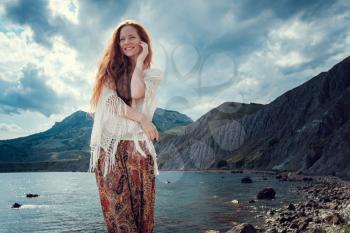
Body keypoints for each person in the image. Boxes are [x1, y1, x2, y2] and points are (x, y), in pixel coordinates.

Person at [88, 19, 163, 233]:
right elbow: (111, 103)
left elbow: (137, 93)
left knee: (143, 218)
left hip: (138, 148)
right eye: (122, 39)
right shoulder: (108, 71)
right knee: (118, 218)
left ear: (142, 42)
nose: (126, 42)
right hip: (109, 149)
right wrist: (142, 119)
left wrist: (139, 63)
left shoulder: (152, 74)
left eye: (132, 37)